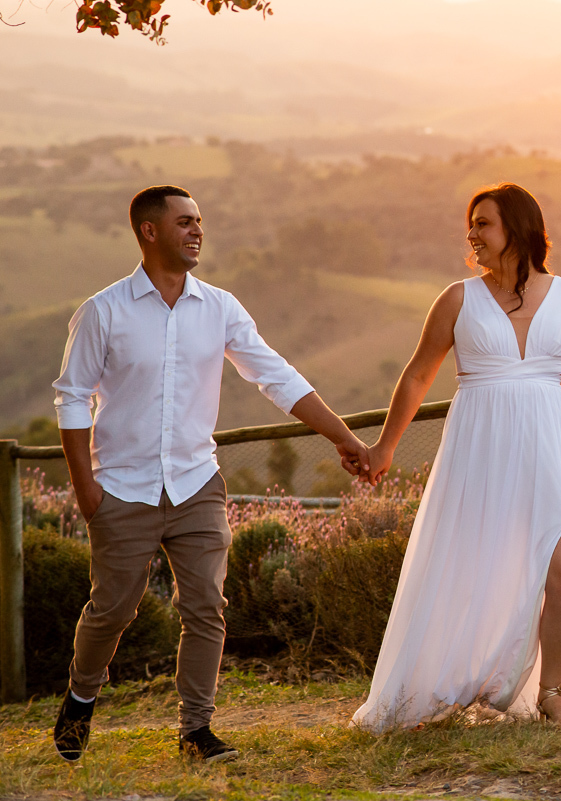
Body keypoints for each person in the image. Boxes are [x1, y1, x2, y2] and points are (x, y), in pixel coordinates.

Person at [51, 185, 371, 764]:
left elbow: (276, 376)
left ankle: (195, 730)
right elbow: (72, 398)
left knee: (206, 608)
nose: (197, 230)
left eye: (199, 220)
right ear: (149, 231)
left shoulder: (221, 308)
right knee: (113, 611)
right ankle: (81, 695)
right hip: (120, 488)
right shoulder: (104, 311)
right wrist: (86, 490)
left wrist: (343, 438)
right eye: (184, 222)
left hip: (198, 483)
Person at [351, 183, 561, 731]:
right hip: (480, 450)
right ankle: (453, 685)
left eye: (483, 223)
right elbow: (417, 375)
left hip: (550, 451)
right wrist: (384, 446)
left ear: (518, 229)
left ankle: (550, 692)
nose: (472, 234)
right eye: (472, 224)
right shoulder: (457, 299)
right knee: (467, 570)